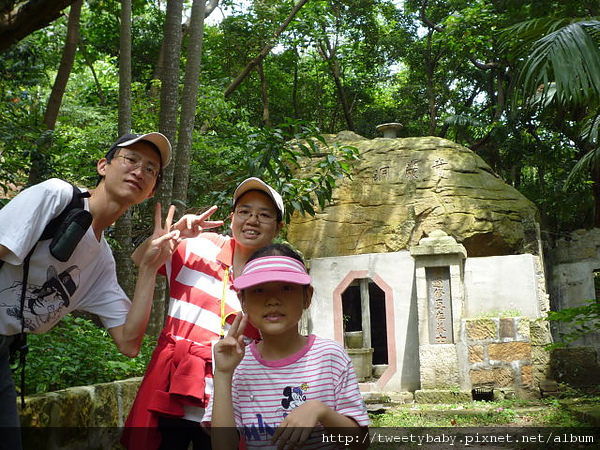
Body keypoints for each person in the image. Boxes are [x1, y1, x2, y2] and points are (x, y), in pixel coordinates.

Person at [0, 132, 184, 450]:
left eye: (151, 169)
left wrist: (149, 269)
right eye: (131, 159)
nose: (140, 170)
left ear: (151, 190)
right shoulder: (57, 197)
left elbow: (129, 342)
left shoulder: (101, 262)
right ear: (103, 165)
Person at [121, 177, 285, 450]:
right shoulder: (199, 246)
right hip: (172, 388)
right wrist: (172, 234)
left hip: (228, 401)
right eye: (244, 211)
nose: (252, 220)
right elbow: (141, 260)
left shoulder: (275, 280)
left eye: (264, 215)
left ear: (277, 227)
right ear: (232, 218)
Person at [207, 243, 370, 450]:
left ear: (306, 296)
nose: (273, 299)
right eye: (259, 290)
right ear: (243, 300)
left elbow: (360, 442)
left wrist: (321, 411)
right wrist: (222, 374)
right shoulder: (236, 366)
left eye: (286, 287)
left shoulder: (330, 356)